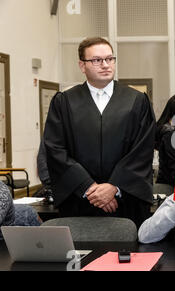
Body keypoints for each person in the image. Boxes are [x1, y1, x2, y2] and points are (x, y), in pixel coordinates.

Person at [43, 37, 156, 228]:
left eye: (110, 59)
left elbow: (143, 150)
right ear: (82, 65)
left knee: (127, 254)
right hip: (80, 199)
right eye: (96, 60)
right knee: (80, 255)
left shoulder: (136, 101)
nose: (105, 65)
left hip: (126, 200)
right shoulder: (65, 102)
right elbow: (55, 148)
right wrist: (89, 187)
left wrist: (114, 187)